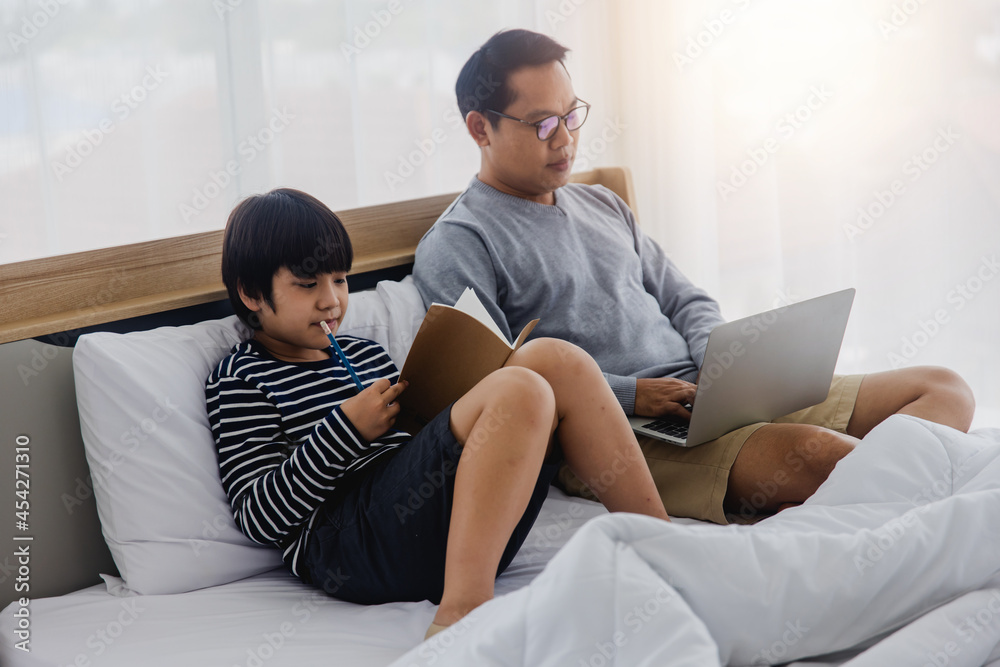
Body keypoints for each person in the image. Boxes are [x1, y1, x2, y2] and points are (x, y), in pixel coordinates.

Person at [411, 28, 976, 525]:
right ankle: (883, 489)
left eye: (572, 114)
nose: (566, 139)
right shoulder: (460, 242)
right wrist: (636, 395)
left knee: (944, 389)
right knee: (825, 456)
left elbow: (686, 298)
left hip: (709, 391)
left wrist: (720, 362)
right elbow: (494, 385)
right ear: (479, 128)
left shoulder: (601, 204)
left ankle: (860, 488)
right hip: (617, 436)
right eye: (542, 124)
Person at [205, 187, 669, 639]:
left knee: (554, 359)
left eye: (341, 279)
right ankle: (460, 616)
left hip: (449, 533)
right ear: (251, 294)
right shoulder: (242, 377)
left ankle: (662, 546)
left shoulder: (365, 354)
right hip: (349, 549)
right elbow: (257, 516)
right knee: (520, 386)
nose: (332, 300)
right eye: (308, 284)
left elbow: (418, 450)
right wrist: (346, 431)